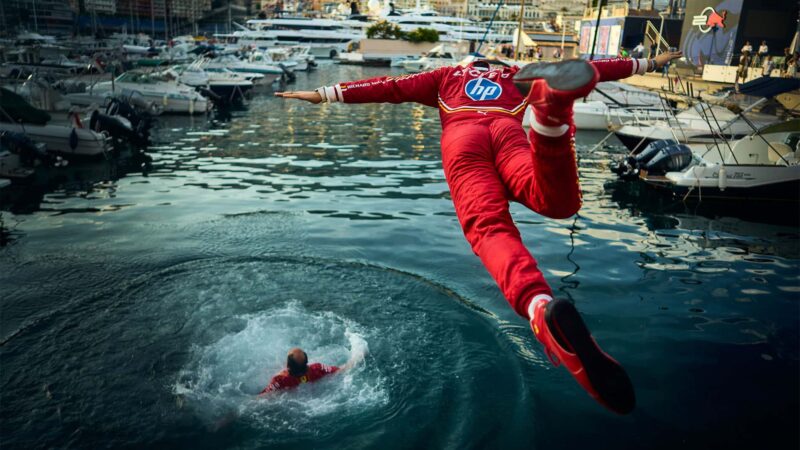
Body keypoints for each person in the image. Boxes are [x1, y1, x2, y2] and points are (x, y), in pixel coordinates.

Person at [276, 52, 682, 414]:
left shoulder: (447, 76)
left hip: (463, 139)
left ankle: (539, 308)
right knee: (558, 203)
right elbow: (599, 66)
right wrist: (648, 63)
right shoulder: (517, 75)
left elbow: (390, 87)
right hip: (509, 135)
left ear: (469, 66)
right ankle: (551, 120)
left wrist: (325, 93)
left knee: (489, 227)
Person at [259, 347, 363, 394]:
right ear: (307, 363)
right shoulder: (317, 369)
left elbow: (263, 397)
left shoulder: (280, 380)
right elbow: (341, 370)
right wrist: (358, 354)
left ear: (287, 365)